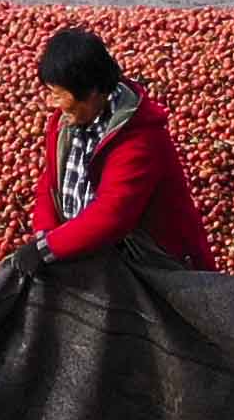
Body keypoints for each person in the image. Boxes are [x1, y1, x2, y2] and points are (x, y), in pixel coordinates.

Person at [19, 25, 217, 272]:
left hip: (155, 263)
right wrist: (44, 233)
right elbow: (51, 180)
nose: (52, 103)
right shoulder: (65, 121)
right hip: (88, 252)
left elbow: (112, 215)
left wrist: (48, 248)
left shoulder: (139, 138)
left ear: (91, 92)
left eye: (58, 94)